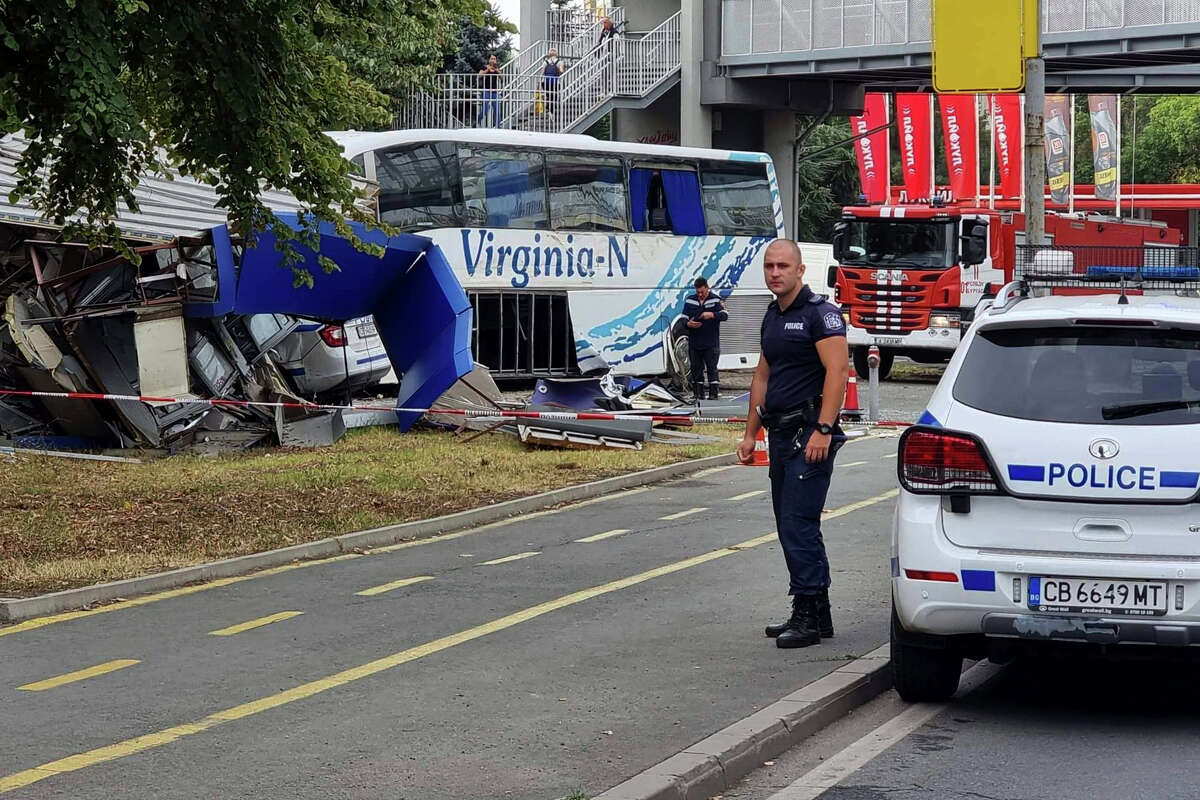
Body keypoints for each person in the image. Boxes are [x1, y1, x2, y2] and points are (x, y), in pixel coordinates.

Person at [737, 239, 850, 649]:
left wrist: (823, 428)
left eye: (783, 265)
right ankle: (816, 613)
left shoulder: (821, 315)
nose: (775, 272)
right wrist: (750, 433)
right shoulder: (772, 314)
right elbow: (762, 377)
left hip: (809, 434)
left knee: (799, 523)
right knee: (790, 525)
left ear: (801, 270)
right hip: (780, 434)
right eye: (769, 265)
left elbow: (837, 371)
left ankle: (807, 612)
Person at [683, 277, 727, 401]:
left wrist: (712, 314)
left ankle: (713, 394)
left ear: (707, 288)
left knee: (712, 368)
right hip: (695, 343)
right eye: (698, 292)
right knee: (696, 369)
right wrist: (688, 324)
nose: (700, 295)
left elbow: (725, 315)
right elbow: (683, 319)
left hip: (711, 343)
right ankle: (698, 394)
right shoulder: (690, 300)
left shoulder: (716, 299)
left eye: (702, 292)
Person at [476, 54, 502, 128]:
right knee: (485, 109)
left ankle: (498, 126)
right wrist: (487, 70)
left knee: (496, 109)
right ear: (489, 60)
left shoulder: (497, 68)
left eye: (494, 59)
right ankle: (477, 120)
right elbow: (479, 75)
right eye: (492, 59)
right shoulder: (484, 67)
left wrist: (496, 70)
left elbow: (502, 77)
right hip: (486, 91)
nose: (493, 60)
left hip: (494, 91)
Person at [542, 49, 562, 117]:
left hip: (546, 82)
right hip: (555, 82)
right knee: (554, 97)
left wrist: (538, 83)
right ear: (556, 54)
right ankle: (551, 111)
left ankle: (548, 109)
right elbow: (561, 71)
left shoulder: (545, 62)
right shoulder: (560, 62)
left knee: (548, 96)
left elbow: (542, 73)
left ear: (549, 54)